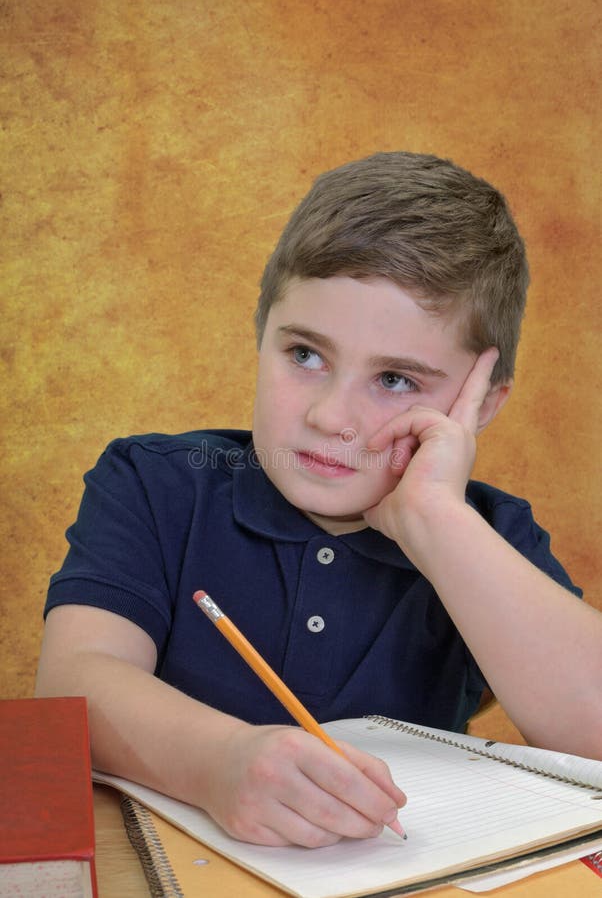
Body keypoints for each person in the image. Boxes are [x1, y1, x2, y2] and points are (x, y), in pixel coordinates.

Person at [35, 152, 602, 849]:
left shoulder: (485, 537)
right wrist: (219, 763)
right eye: (305, 354)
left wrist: (438, 525)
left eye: (394, 379)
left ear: (476, 406)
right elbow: (74, 685)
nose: (332, 416)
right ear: (262, 333)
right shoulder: (156, 482)